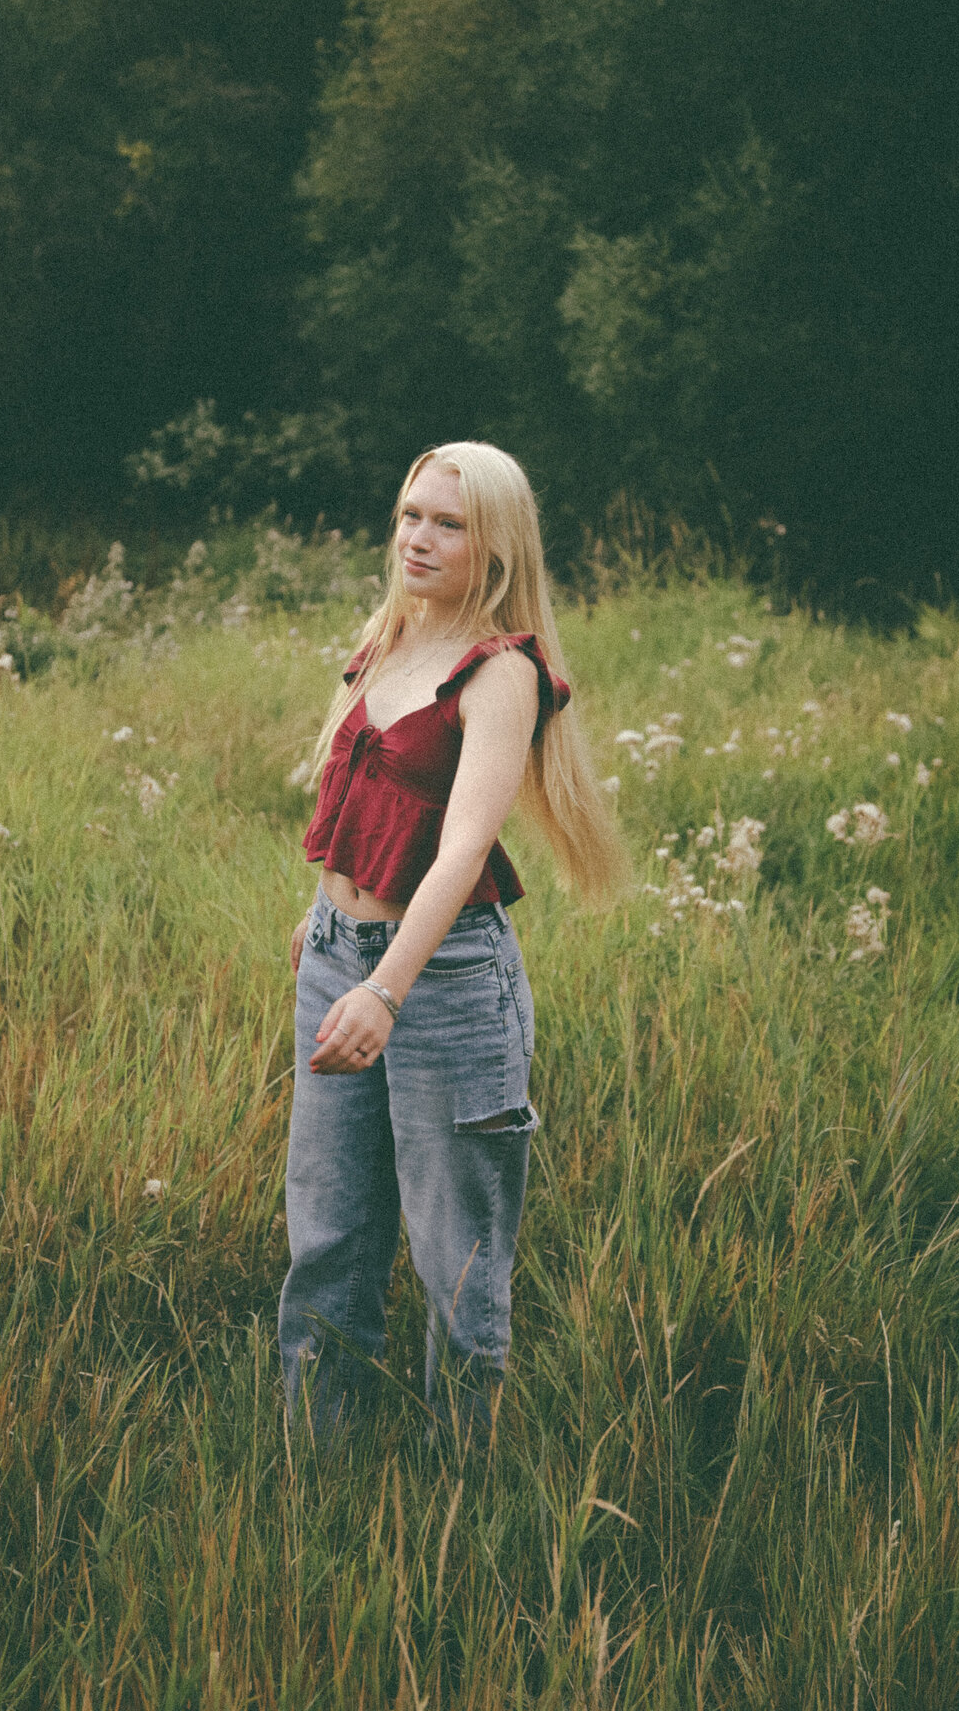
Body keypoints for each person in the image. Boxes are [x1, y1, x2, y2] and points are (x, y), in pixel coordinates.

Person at [278, 440, 623, 1436]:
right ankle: (317, 1470)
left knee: (454, 1260)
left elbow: (463, 845)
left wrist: (385, 988)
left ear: (498, 545)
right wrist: (327, 918)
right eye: (410, 515)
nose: (418, 538)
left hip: (444, 986)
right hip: (341, 958)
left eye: (449, 523)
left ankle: (462, 1492)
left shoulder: (500, 673)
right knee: (329, 1236)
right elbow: (357, 794)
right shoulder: (389, 636)